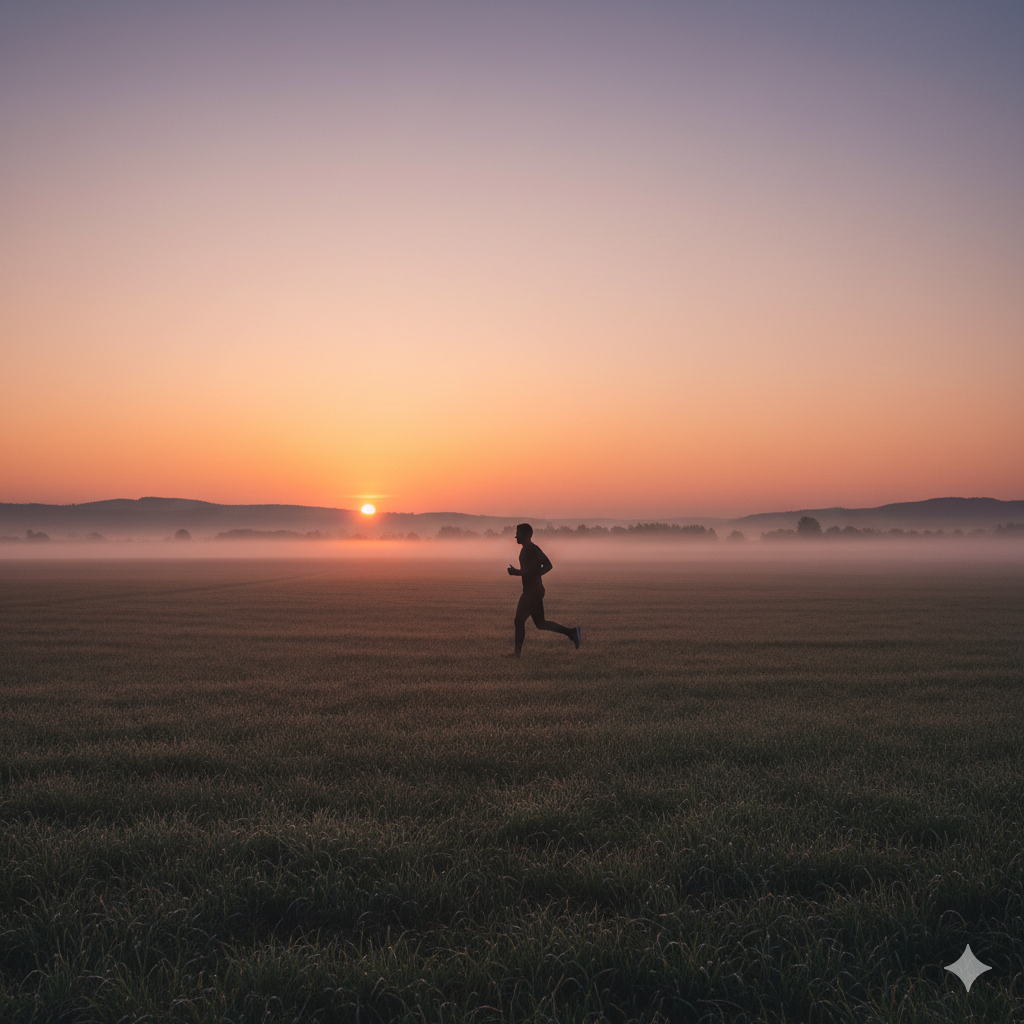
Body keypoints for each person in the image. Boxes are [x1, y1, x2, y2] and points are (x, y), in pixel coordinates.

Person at [507, 523, 580, 656]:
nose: (515, 536)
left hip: (531, 592)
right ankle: (571, 632)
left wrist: (515, 572)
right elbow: (548, 565)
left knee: (519, 621)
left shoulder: (527, 550)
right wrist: (536, 575)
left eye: (518, 533)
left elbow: (528, 571)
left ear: (525, 535)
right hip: (537, 590)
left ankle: (516, 655)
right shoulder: (534, 548)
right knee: (540, 623)